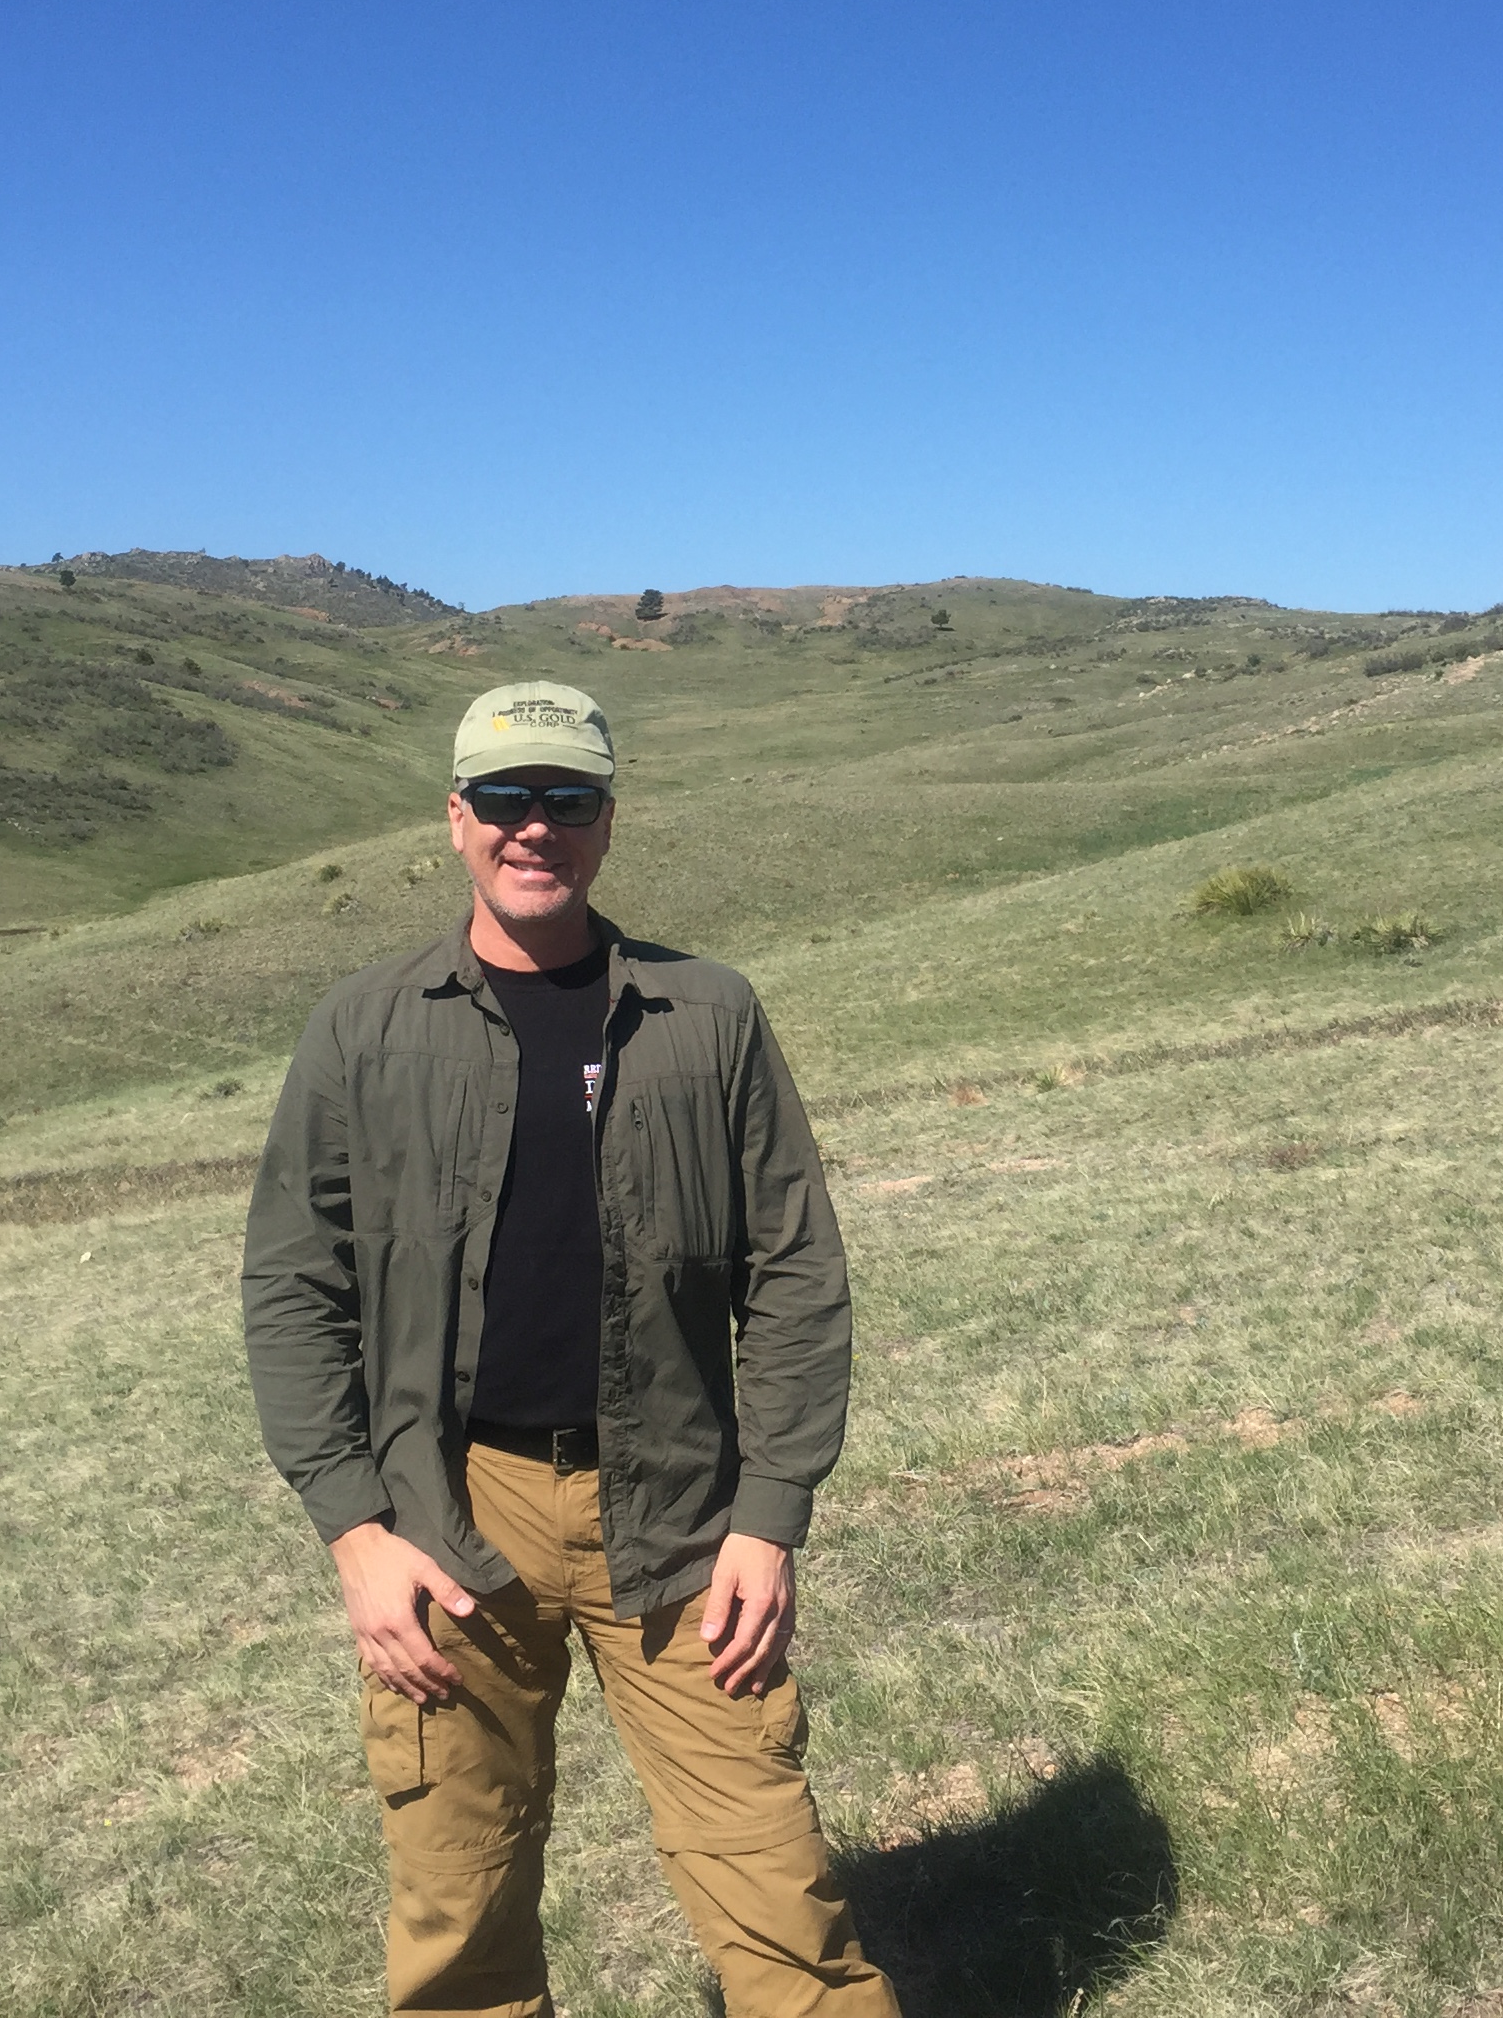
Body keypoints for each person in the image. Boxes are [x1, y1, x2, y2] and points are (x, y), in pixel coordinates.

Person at [243, 680, 897, 2016]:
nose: (532, 826)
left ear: (607, 821)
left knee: (780, 1900)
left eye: (566, 799)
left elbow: (794, 1275)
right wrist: (356, 1532)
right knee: (458, 1917)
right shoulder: (366, 1028)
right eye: (504, 798)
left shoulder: (706, 1015)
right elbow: (294, 1288)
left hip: (683, 1519)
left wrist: (769, 1519)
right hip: (447, 1518)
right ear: (456, 818)